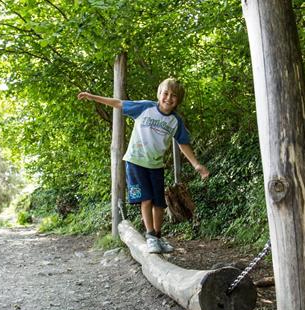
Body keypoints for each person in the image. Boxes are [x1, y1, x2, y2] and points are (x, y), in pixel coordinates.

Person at [77, 78, 209, 254]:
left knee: (160, 203)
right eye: (166, 93)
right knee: (145, 199)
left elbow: (182, 143)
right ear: (159, 94)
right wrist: (92, 97)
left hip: (156, 165)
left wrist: (196, 164)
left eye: (174, 96)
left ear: (178, 100)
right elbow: (118, 103)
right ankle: (150, 235)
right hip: (136, 162)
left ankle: (158, 236)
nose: (168, 98)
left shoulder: (175, 121)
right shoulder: (145, 107)